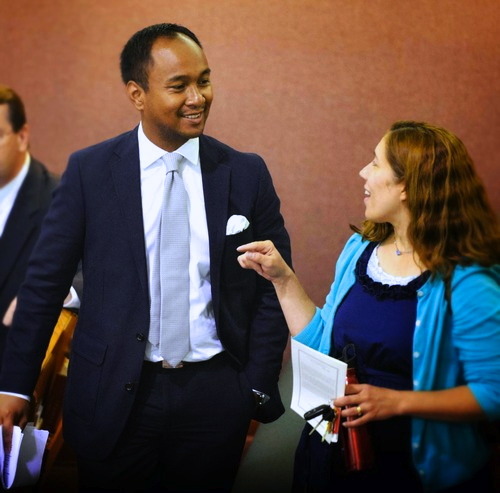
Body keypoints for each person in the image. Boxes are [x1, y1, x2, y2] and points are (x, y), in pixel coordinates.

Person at [0, 23, 291, 492]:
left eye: (204, 80)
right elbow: (44, 282)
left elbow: (273, 287)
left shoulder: (245, 173)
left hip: (215, 397)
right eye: (179, 86)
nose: (198, 97)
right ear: (137, 94)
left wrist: (252, 386)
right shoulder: (90, 171)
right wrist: (15, 383)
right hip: (113, 394)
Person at [237, 121, 500, 492]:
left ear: (407, 185)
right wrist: (282, 278)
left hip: (410, 471)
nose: (363, 172)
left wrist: (397, 402)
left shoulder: (467, 281)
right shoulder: (360, 249)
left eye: (375, 164)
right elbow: (322, 345)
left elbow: (492, 393)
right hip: (333, 458)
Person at [0, 85, 81, 368]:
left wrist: (44, 293)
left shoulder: (63, 197)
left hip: (17, 373)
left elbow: (100, 271)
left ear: (22, 137)